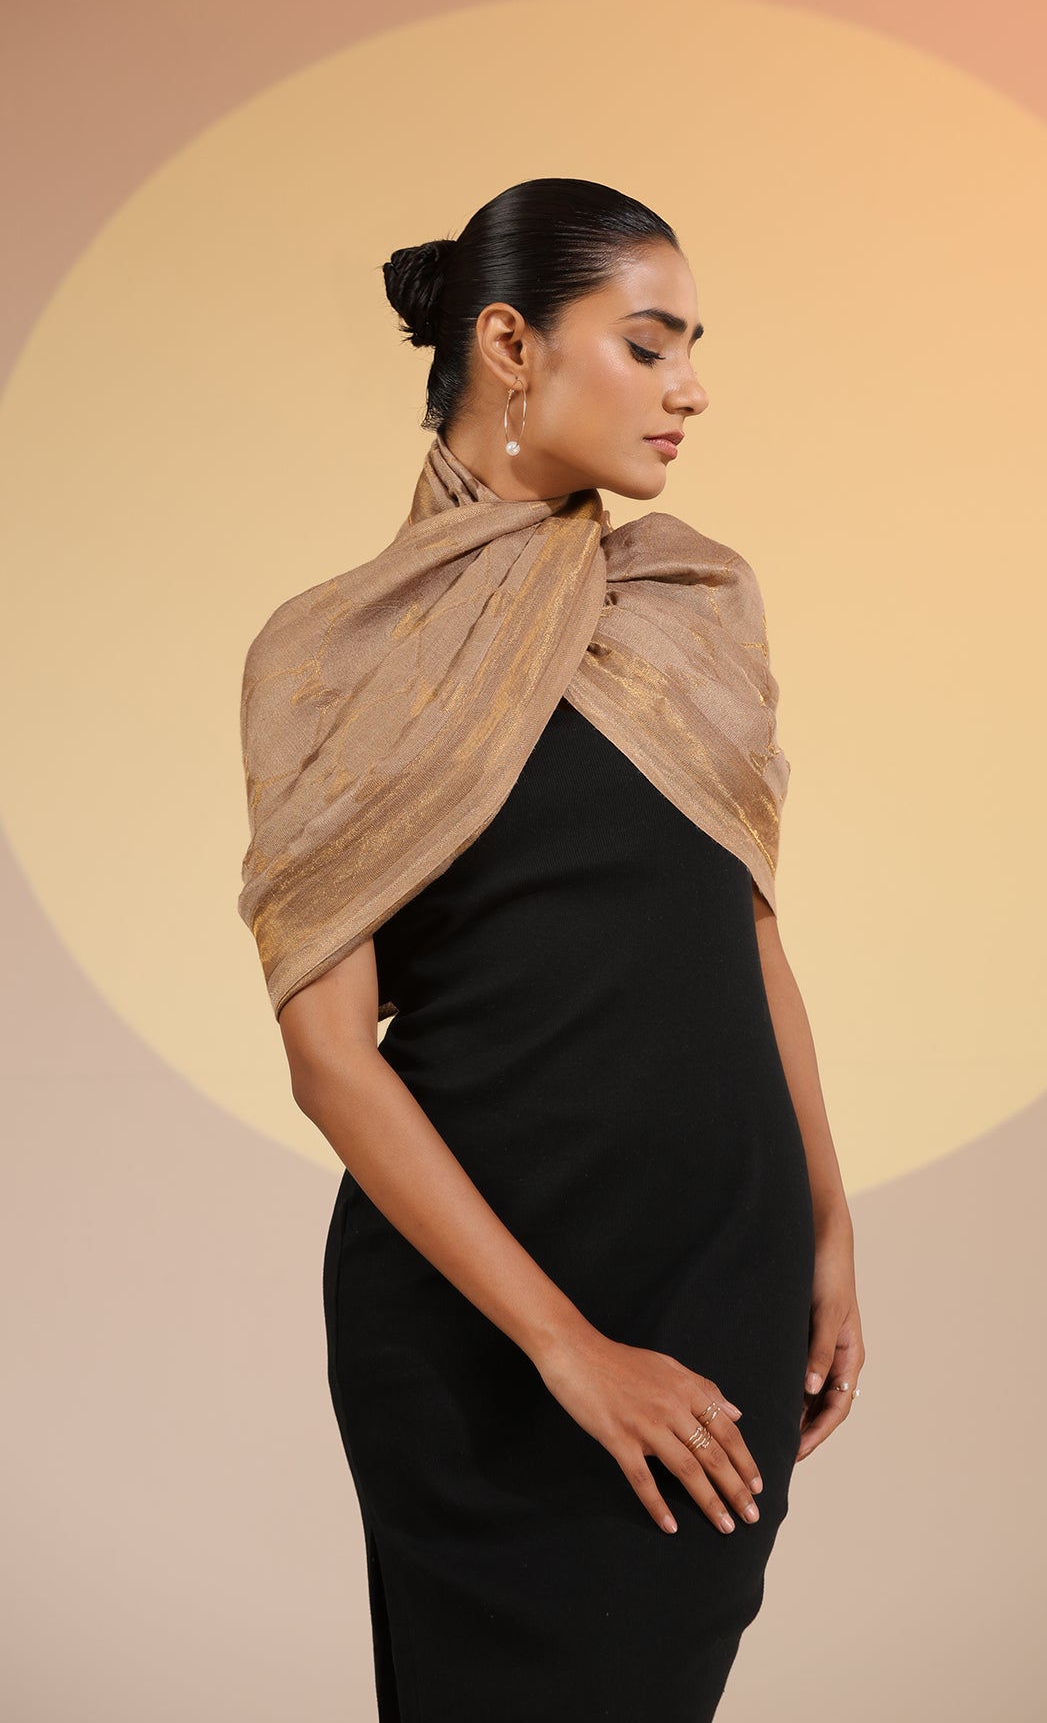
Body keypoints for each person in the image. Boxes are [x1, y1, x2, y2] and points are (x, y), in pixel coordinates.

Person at [237, 177, 865, 1722]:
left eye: (693, 348)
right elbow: (328, 1057)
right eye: (649, 346)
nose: (689, 389)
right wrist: (568, 1348)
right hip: (473, 1317)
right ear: (510, 346)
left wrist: (829, 1224)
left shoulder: (694, 602)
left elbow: (748, 936)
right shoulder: (331, 653)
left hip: (719, 1274)